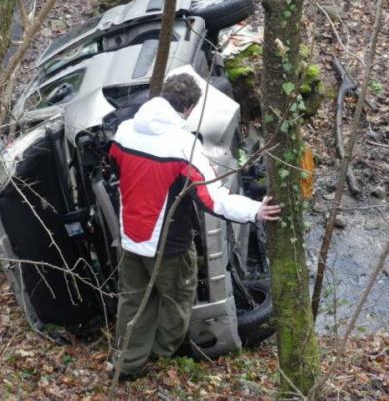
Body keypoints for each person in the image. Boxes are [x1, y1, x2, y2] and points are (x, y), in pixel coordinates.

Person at [108, 73, 281, 379]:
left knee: (133, 303)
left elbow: (114, 167)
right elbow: (214, 200)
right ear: (188, 108)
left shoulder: (124, 131)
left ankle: (127, 365)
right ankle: (161, 355)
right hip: (169, 246)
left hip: (130, 238)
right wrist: (256, 210)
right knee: (177, 302)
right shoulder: (184, 147)